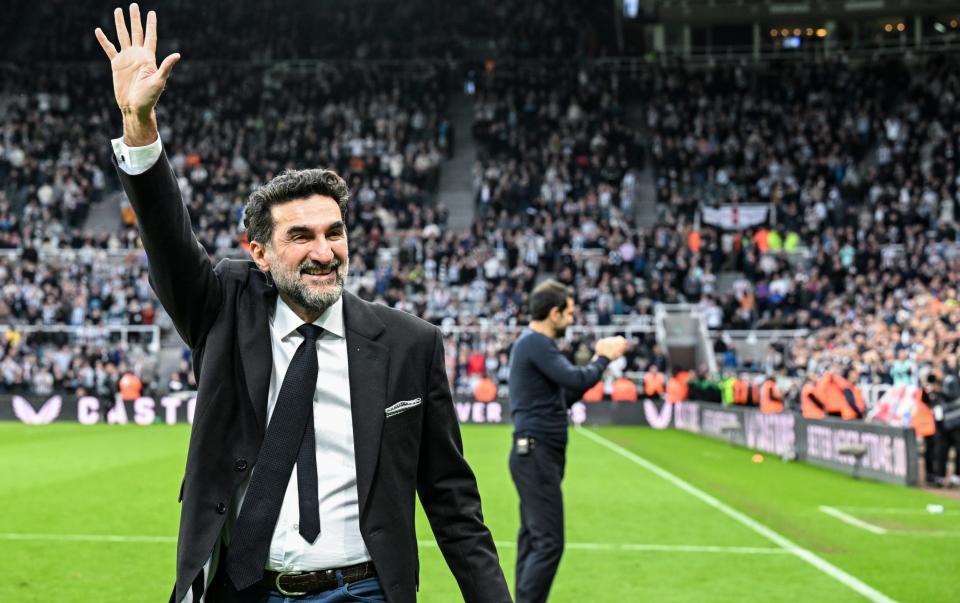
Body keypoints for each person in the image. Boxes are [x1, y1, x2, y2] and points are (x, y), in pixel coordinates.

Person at [94, 7, 510, 603]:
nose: (324, 251)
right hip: (245, 590)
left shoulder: (410, 344)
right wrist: (139, 125)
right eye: (301, 236)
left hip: (364, 591)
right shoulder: (224, 308)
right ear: (259, 253)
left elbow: (450, 497)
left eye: (334, 232)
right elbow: (166, 239)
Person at [507, 279, 627, 603]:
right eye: (570, 313)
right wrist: (602, 358)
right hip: (536, 452)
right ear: (554, 313)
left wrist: (598, 368)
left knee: (533, 539)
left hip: (533, 453)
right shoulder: (536, 343)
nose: (573, 320)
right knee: (548, 543)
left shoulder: (531, 344)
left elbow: (565, 394)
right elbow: (575, 378)